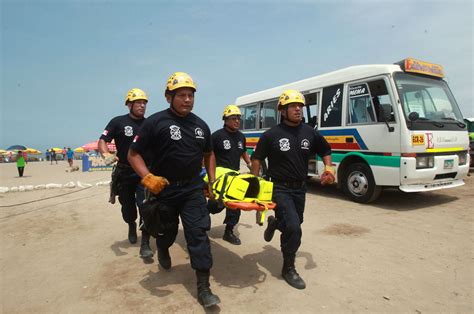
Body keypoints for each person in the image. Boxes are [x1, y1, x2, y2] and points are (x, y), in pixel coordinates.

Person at [128, 72, 220, 307]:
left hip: (192, 190)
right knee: (166, 233)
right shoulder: (155, 122)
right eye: (181, 95)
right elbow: (133, 154)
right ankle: (162, 247)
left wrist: (212, 179)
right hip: (164, 190)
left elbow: (209, 154)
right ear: (169, 97)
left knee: (198, 235)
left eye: (190, 95)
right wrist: (147, 177)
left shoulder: (201, 125)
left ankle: (204, 288)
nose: (187, 100)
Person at [251, 89, 335, 290]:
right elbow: (257, 158)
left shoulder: (309, 132)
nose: (298, 109)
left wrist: (329, 168)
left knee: (295, 222)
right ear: (282, 110)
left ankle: (274, 223)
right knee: (294, 228)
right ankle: (288, 268)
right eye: (293, 106)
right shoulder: (271, 135)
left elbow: (325, 149)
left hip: (300, 188)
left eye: (300, 106)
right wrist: (254, 184)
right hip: (279, 187)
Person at [99, 88, 153, 259]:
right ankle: (131, 224)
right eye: (138, 102)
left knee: (146, 206)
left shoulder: (149, 124)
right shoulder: (117, 122)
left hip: (143, 173)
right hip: (124, 172)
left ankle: (145, 242)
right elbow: (103, 140)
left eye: (144, 103)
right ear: (129, 104)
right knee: (127, 207)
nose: (142, 105)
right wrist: (106, 154)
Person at [211, 105, 251, 245]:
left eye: (239, 118)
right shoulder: (216, 136)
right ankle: (202, 215)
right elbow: (208, 155)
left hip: (235, 177)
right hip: (220, 177)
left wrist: (250, 165)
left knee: (235, 205)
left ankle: (229, 231)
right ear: (225, 120)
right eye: (233, 118)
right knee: (216, 205)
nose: (237, 121)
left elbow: (243, 152)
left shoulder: (241, 137)